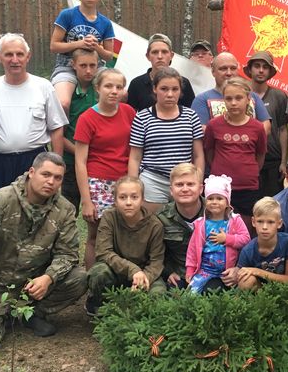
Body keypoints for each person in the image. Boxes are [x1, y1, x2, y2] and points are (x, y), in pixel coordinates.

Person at [0, 153, 87, 355]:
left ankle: (32, 313)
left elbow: (68, 254)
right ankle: (2, 315)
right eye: (46, 174)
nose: (51, 182)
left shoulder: (64, 209)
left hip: (33, 286)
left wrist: (48, 277)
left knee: (79, 277)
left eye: (57, 178)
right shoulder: (1, 200)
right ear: (31, 172)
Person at [0, 34, 68, 192]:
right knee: (2, 205)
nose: (15, 60)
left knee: (36, 204)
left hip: (35, 161)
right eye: (9, 54)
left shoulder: (43, 87)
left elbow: (56, 128)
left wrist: (56, 166)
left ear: (28, 57)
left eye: (20, 54)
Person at [74, 69, 137, 269]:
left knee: (124, 233)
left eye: (119, 87)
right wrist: (86, 201)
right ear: (97, 88)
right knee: (96, 235)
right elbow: (80, 161)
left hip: (124, 182)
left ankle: (120, 277)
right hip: (98, 183)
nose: (114, 91)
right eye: (108, 86)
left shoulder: (129, 112)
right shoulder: (87, 118)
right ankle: (92, 279)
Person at [86, 176, 166, 315]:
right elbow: (103, 252)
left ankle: (139, 315)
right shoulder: (109, 217)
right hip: (116, 270)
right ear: (115, 201)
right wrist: (132, 270)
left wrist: (143, 278)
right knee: (99, 273)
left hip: (144, 273)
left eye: (134, 197)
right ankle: (99, 306)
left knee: (158, 293)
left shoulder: (155, 225)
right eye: (123, 197)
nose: (128, 202)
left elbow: (157, 261)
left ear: (142, 199)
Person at [129, 67, 205, 212]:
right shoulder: (142, 118)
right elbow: (135, 157)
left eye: (175, 89)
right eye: (164, 89)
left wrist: (197, 181)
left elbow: (198, 155)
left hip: (184, 180)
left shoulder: (191, 116)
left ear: (180, 91)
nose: (170, 94)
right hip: (153, 180)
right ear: (155, 89)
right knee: (154, 223)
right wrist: (133, 186)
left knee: (185, 223)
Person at [203, 77, 267, 225]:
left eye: (238, 98)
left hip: (248, 187)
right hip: (220, 187)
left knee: (245, 227)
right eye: (229, 98)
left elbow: (260, 155)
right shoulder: (214, 125)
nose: (233, 103)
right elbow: (209, 152)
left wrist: (249, 172)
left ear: (248, 99)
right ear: (223, 100)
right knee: (219, 225)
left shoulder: (257, 127)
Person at [50, 0, 115, 111]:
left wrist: (96, 47)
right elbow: (54, 46)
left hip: (96, 67)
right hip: (66, 66)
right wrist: (80, 44)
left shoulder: (105, 23)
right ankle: (63, 126)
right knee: (63, 103)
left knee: (118, 95)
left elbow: (109, 56)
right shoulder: (67, 15)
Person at [185, 175, 250, 294]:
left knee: (227, 296)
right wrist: (190, 269)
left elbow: (246, 239)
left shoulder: (235, 220)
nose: (214, 202)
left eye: (219, 198)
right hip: (205, 270)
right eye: (210, 198)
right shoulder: (201, 224)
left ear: (227, 202)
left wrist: (227, 239)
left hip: (227, 271)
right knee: (191, 294)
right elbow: (192, 249)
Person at [192, 52, 271, 134]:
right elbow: (201, 130)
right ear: (213, 71)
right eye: (223, 69)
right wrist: (228, 140)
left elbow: (266, 125)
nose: (229, 73)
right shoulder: (202, 99)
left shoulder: (252, 96)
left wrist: (247, 139)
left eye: (233, 68)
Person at [245, 51, 288, 197]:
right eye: (257, 66)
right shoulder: (241, 96)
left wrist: (284, 162)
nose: (261, 70)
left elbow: (283, 129)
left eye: (265, 67)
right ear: (250, 69)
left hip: (273, 161)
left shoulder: (279, 96)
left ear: (270, 71)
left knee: (272, 204)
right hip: (247, 158)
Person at [62, 49, 101, 213]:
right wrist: (81, 153)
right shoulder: (66, 93)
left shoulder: (100, 91)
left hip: (96, 162)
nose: (88, 70)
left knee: (96, 211)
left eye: (92, 65)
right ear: (73, 65)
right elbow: (58, 136)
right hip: (71, 161)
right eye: (83, 65)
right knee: (68, 210)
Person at [235, 197, 288, 290]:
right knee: (245, 281)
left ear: (279, 223)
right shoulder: (247, 251)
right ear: (253, 222)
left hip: (284, 290)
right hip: (259, 291)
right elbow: (240, 279)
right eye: (260, 221)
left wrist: (258, 271)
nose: (265, 227)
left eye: (270, 222)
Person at [157, 163, 205, 289]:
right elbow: (156, 253)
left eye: (190, 184)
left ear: (201, 189)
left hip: (211, 274)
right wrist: (168, 272)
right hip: (178, 275)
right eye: (179, 185)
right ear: (171, 190)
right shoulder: (161, 218)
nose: (185, 189)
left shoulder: (218, 213)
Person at [127, 33, 196, 111]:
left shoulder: (184, 83)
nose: (160, 56)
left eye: (164, 52)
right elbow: (129, 114)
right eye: (155, 52)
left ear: (171, 55)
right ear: (148, 56)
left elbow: (192, 112)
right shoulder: (136, 84)